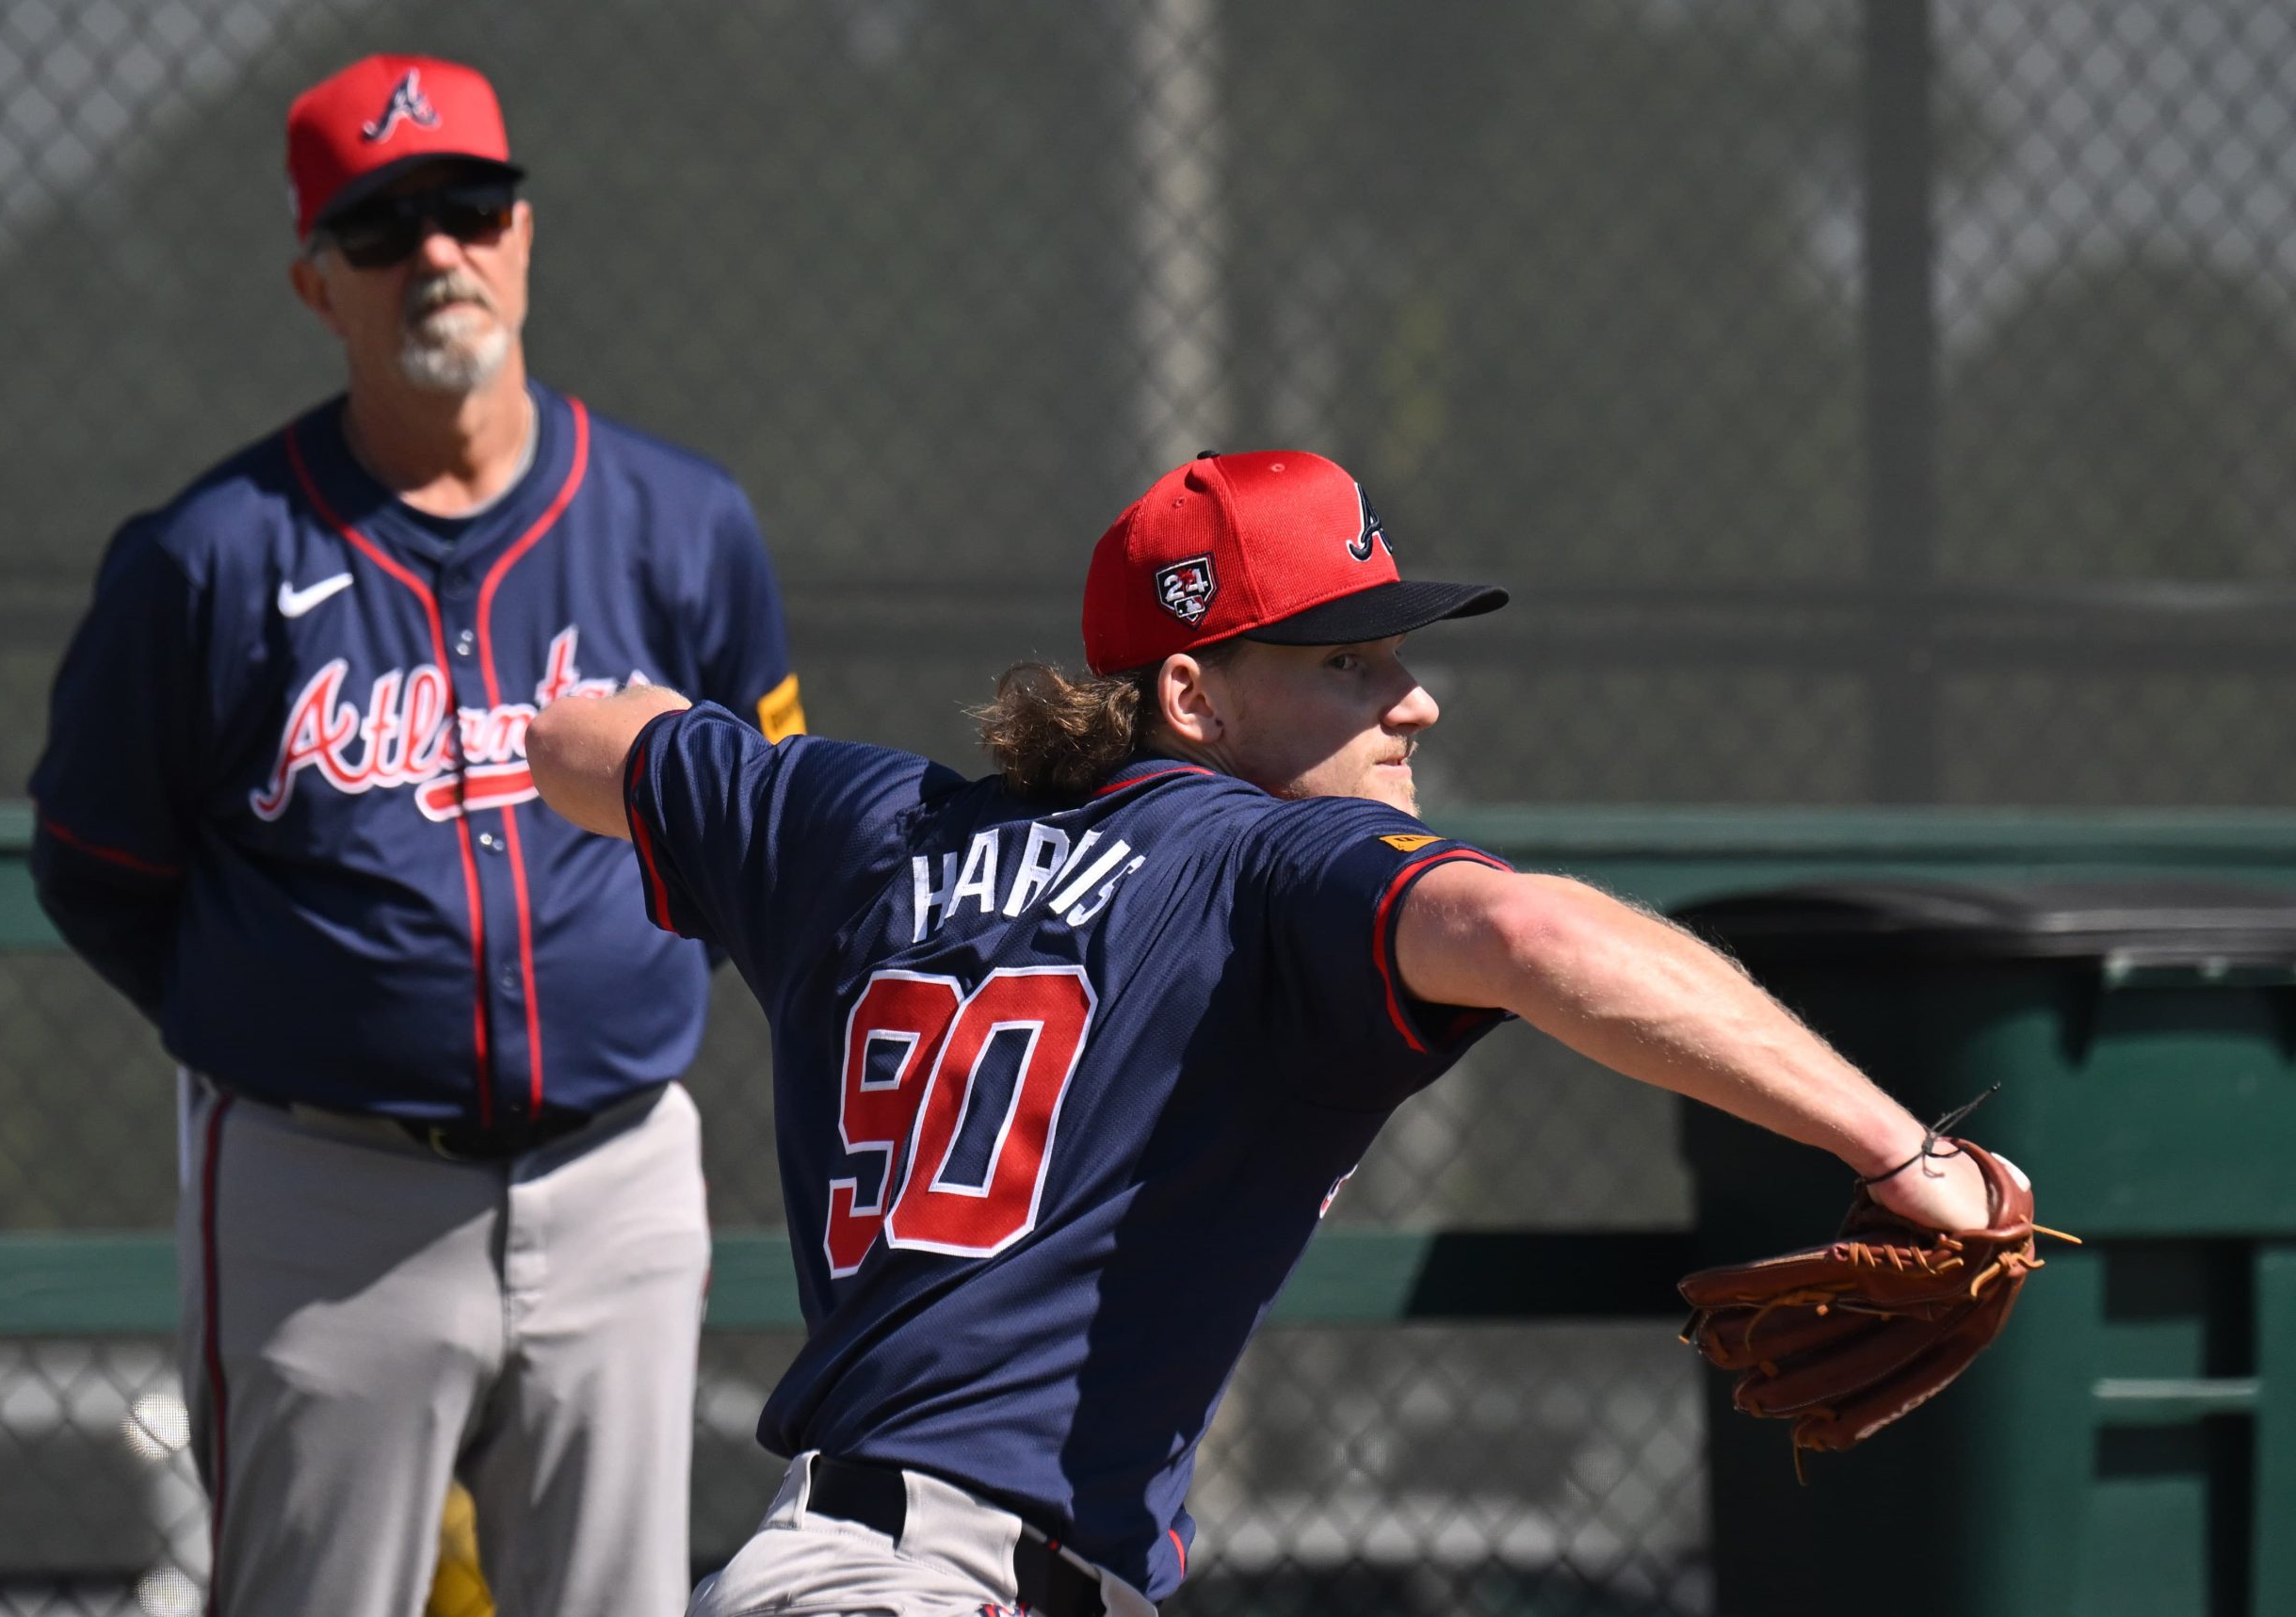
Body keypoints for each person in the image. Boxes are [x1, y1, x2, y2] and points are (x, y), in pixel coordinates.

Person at [528, 448, 1999, 1617]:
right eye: (1347, 660)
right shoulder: (1266, 868)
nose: (1414, 700)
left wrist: (732, 778)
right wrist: (1902, 1146)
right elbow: (1532, 934)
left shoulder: (864, 823)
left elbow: (575, 738)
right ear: (1191, 694)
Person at [26, 53, 803, 1617]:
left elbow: (758, 831)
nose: (436, 252)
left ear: (523, 234)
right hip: (325, 1194)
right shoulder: (208, 561)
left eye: (468, 207)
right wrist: (292, 1005)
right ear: (317, 283)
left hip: (616, 1174)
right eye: (382, 226)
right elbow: (101, 869)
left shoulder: (681, 523)